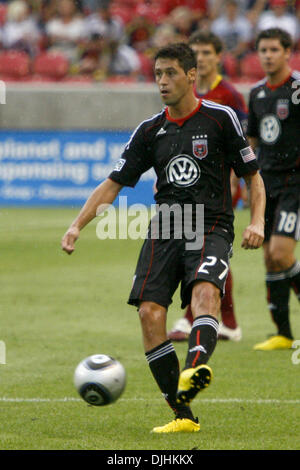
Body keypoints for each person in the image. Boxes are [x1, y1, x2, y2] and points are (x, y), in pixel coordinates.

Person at [61, 43, 265, 433]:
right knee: (150, 314)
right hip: (167, 227)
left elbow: (253, 177)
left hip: (211, 224)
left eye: (170, 73)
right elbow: (112, 184)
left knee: (206, 293)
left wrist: (256, 221)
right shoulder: (151, 130)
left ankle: (194, 368)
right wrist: (77, 225)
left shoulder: (220, 118)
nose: (162, 81)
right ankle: (183, 415)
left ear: (191, 75)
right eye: (157, 74)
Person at [168, 31, 248, 342]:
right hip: (189, 183)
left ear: (218, 56)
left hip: (220, 182)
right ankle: (217, 318)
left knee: (204, 246)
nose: (200, 58)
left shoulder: (228, 94)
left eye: (206, 52)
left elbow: (241, 142)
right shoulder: (184, 91)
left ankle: (199, 317)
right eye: (196, 52)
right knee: (198, 247)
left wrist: (234, 177)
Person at [247, 28, 300, 351]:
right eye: (262, 50)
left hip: (296, 181)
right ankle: (283, 334)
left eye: (273, 50)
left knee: (282, 252)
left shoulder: (297, 89)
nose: (267, 55)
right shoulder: (257, 93)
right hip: (266, 182)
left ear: (287, 53)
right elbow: (251, 140)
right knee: (269, 258)